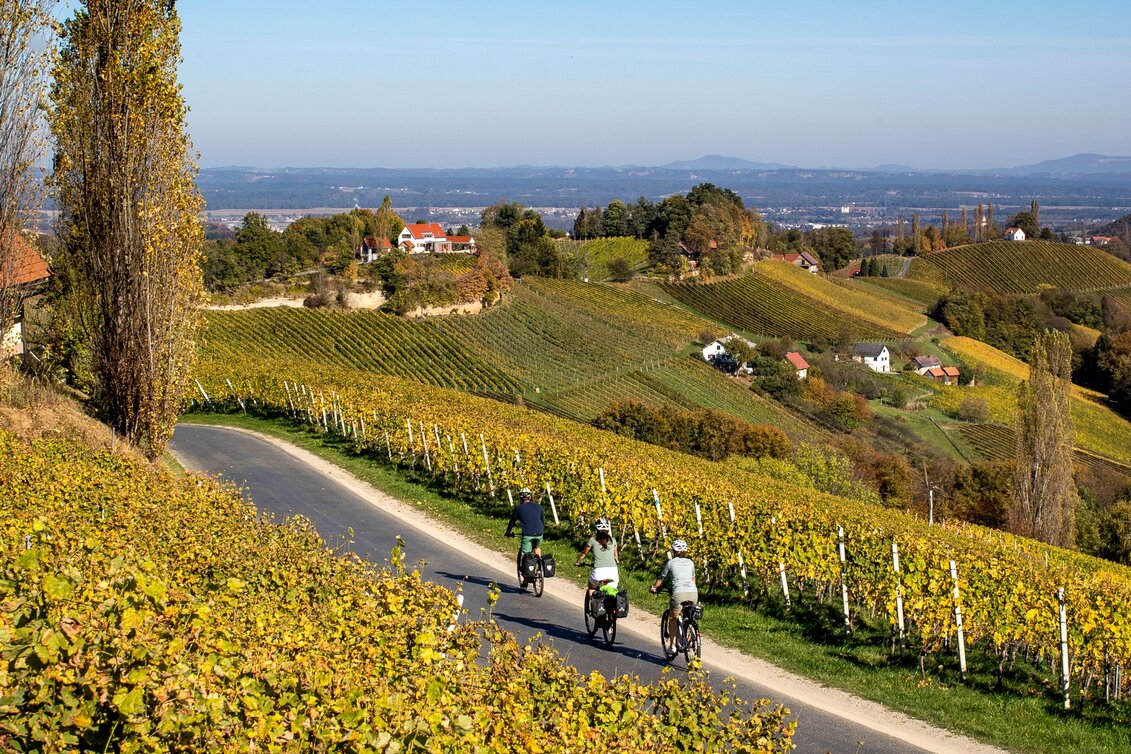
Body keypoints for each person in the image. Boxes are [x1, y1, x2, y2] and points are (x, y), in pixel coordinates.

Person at [649, 538, 697, 652]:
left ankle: (672, 646)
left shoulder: (670, 563)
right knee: (687, 615)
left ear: (674, 551)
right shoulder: (691, 562)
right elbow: (693, 580)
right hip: (693, 593)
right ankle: (689, 633)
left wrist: (654, 588)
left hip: (679, 593)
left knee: (673, 617)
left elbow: (661, 578)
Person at [574, 518, 619, 608]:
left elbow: (584, 553)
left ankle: (595, 605)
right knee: (610, 590)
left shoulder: (592, 540)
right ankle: (611, 612)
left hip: (598, 572)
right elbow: (616, 558)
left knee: (592, 587)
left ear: (596, 529)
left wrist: (578, 562)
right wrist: (616, 562)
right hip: (613, 572)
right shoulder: (613, 540)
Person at [504, 487, 544, 580]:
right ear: (530, 497)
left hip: (528, 534)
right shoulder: (539, 506)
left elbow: (512, 521)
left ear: (521, 498)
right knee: (537, 548)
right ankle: (540, 566)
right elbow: (542, 521)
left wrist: (508, 532)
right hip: (539, 533)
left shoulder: (518, 508)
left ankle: (526, 580)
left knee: (525, 556)